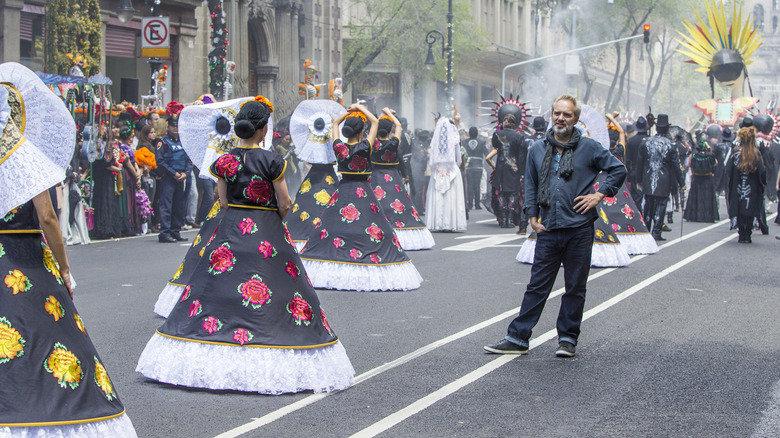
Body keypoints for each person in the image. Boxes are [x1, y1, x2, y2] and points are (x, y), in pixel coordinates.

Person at [136, 98, 355, 393]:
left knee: (211, 289)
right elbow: (285, 201)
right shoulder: (272, 161)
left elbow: (222, 200)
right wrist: (272, 219)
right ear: (263, 130)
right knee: (281, 289)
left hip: (230, 232)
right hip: (266, 234)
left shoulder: (225, 161)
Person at [0, 61, 137, 437]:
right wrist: (63, 265)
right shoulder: (25, 155)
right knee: (45, 335)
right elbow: (47, 218)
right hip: (26, 257)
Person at [484, 94, 626, 357]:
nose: (561, 118)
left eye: (567, 114)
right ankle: (518, 338)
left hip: (579, 227)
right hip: (548, 227)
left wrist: (600, 194)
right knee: (537, 284)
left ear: (575, 118)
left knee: (575, 285)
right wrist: (531, 215)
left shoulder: (589, 147)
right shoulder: (537, 148)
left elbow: (618, 169)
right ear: (552, 115)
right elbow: (531, 183)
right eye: (557, 113)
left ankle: (568, 339)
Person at [299, 104, 423, 291]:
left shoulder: (339, 147)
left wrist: (346, 114)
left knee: (332, 226)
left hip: (343, 190)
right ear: (361, 132)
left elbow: (334, 125)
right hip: (364, 191)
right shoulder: (366, 146)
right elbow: (374, 121)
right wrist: (360, 108)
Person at [370, 108, 435, 250]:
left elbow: (374, 122)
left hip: (374, 179)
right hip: (393, 178)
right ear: (390, 130)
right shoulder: (394, 143)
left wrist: (382, 115)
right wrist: (389, 114)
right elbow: (398, 126)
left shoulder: (372, 143)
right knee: (398, 204)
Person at [635, 114, 684, 241]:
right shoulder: (671, 145)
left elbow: (639, 163)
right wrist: (681, 182)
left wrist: (638, 179)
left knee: (648, 205)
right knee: (661, 205)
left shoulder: (645, 142)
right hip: (664, 179)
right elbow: (676, 166)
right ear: (667, 128)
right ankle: (656, 232)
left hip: (648, 178)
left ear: (656, 128)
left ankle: (646, 230)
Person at [426, 112, 468, 232]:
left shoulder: (435, 140)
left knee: (438, 196)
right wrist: (457, 165)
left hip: (438, 169)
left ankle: (438, 223)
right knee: (451, 197)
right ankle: (450, 223)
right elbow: (458, 157)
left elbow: (432, 158)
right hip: (451, 168)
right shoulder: (454, 137)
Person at [156, 110, 192, 243]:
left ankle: (175, 230)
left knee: (179, 205)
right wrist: (174, 173)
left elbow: (189, 160)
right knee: (167, 205)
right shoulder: (163, 142)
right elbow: (160, 161)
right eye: (173, 126)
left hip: (181, 177)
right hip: (169, 177)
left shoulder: (184, 142)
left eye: (177, 126)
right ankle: (164, 232)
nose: (175, 128)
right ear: (168, 127)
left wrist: (185, 174)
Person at [726, 127, 766, 243]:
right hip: (752, 186)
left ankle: (741, 233)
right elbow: (762, 172)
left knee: (738, 207)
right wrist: (763, 183)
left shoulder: (735, 152)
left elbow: (728, 170)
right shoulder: (756, 153)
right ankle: (748, 233)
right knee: (750, 208)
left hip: (737, 185)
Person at [683, 133, 719, 222]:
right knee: (707, 198)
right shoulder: (711, 156)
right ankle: (708, 216)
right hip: (708, 179)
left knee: (696, 198)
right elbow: (714, 165)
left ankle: (695, 216)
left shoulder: (694, 156)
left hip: (697, 179)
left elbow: (692, 167)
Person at [625, 116, 649, 206]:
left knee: (636, 197)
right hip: (647, 171)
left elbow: (627, 160)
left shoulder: (631, 141)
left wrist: (628, 174)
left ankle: (638, 216)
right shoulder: (649, 140)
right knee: (647, 196)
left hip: (635, 171)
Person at [463, 126, 488, 210]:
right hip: (478, 166)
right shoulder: (482, 142)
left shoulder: (464, 142)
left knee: (469, 185)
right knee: (477, 185)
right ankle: (477, 204)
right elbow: (486, 153)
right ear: (477, 133)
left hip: (468, 166)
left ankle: (470, 204)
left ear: (469, 133)